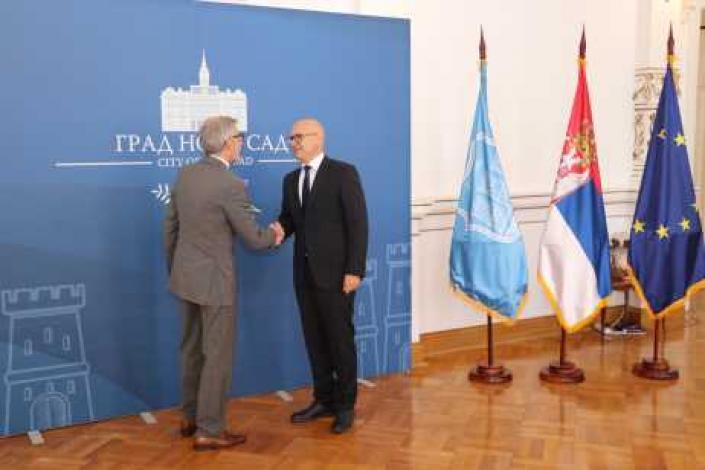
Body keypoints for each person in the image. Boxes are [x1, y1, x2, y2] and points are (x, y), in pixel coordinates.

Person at [163, 115, 283, 451]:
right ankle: (210, 430)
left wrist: (176, 270)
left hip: (185, 278)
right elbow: (254, 239)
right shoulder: (230, 184)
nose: (242, 143)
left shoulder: (185, 175)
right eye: (240, 138)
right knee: (216, 357)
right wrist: (274, 234)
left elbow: (170, 229)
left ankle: (189, 418)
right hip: (215, 283)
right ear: (228, 142)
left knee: (191, 350)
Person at [274, 118, 368, 434]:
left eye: (299, 137)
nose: (294, 143)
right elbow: (290, 220)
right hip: (304, 276)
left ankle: (345, 406)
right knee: (314, 340)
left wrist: (354, 269)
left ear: (319, 138)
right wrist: (277, 230)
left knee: (340, 341)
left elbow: (358, 224)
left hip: (337, 276)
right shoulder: (290, 180)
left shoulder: (343, 173)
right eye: (291, 138)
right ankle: (323, 399)